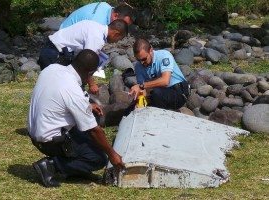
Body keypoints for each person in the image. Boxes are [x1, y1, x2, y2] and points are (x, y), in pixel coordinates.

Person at [29, 49, 124, 187]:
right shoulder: (73, 89)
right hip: (50, 141)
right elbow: (94, 130)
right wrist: (112, 154)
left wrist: (88, 105)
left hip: (36, 132)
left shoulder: (52, 68)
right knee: (97, 158)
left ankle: (75, 169)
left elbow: (59, 97)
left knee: (92, 122)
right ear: (90, 73)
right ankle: (51, 165)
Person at [38, 19, 128, 94]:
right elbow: (87, 63)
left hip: (52, 48)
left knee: (55, 87)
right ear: (116, 33)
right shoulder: (97, 38)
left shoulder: (95, 25)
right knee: (57, 89)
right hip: (55, 54)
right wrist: (92, 84)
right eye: (118, 39)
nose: (116, 42)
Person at [129, 38, 189, 110]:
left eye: (144, 59)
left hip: (179, 92)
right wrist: (138, 102)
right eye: (138, 60)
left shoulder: (164, 55)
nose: (142, 62)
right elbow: (143, 90)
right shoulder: (138, 66)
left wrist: (141, 86)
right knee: (133, 106)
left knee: (156, 93)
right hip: (161, 93)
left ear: (151, 50)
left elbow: (165, 81)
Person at [59, 2, 134, 29]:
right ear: (115, 16)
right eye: (124, 24)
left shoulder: (106, 6)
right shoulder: (97, 23)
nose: (124, 28)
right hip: (63, 43)